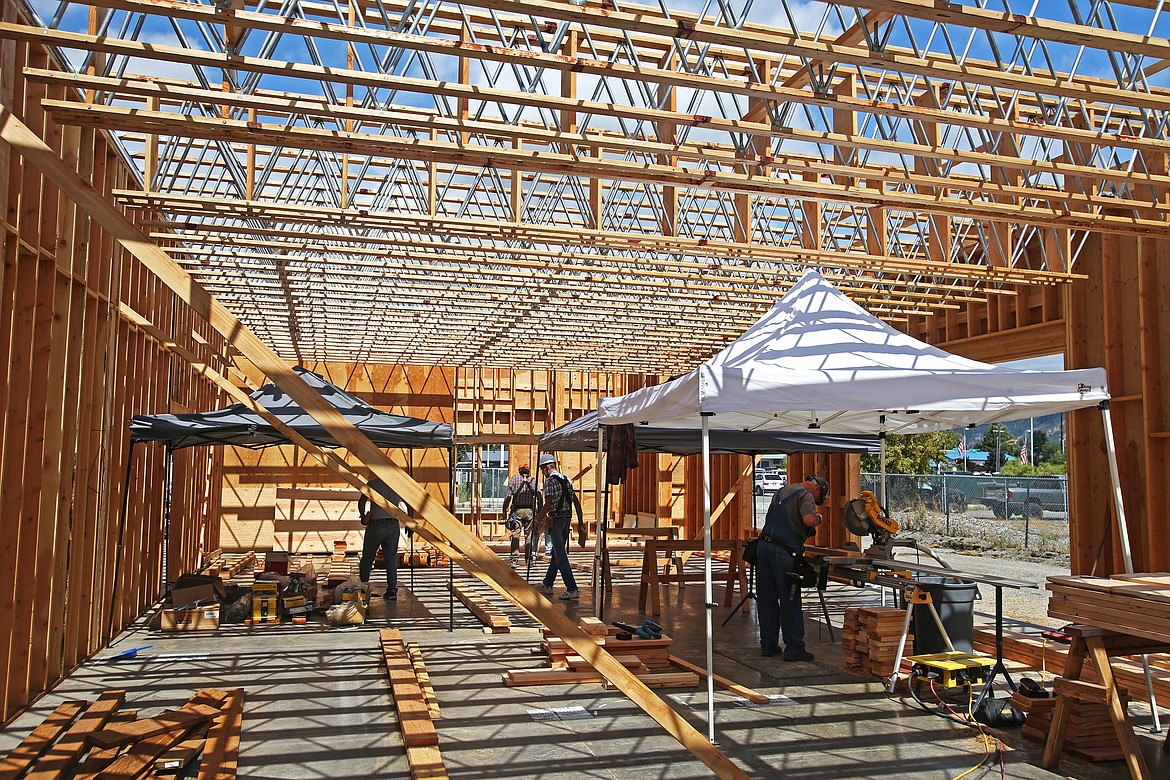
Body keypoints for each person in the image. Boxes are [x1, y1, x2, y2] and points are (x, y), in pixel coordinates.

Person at [756, 475, 829, 662]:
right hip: (783, 552)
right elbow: (808, 520)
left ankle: (768, 645)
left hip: (763, 548)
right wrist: (818, 518)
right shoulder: (806, 495)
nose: (816, 501)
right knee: (790, 598)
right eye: (819, 498)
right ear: (817, 489)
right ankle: (794, 648)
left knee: (767, 599)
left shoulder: (781, 491)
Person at [533, 453, 586, 600]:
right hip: (567, 519)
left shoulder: (550, 482)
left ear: (546, 468)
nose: (543, 472)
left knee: (560, 555)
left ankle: (572, 588)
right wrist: (580, 522)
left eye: (543, 469)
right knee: (557, 553)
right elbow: (576, 502)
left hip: (556, 520)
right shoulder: (566, 479)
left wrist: (538, 521)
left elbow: (548, 503)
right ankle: (548, 584)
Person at [358, 476, 410, 601]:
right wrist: (409, 522)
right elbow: (410, 503)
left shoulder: (372, 483)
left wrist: (363, 516)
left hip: (375, 524)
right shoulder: (397, 484)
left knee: (368, 557)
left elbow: (362, 501)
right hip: (392, 524)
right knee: (391, 558)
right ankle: (392, 590)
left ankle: (363, 588)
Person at [501, 464, 543, 566]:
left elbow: (508, 496)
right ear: (528, 471)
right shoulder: (533, 481)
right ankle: (529, 561)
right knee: (528, 536)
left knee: (515, 535)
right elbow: (539, 496)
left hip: (518, 511)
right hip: (530, 511)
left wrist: (504, 509)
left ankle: (514, 560)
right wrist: (540, 511)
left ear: (519, 471)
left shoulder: (514, 479)